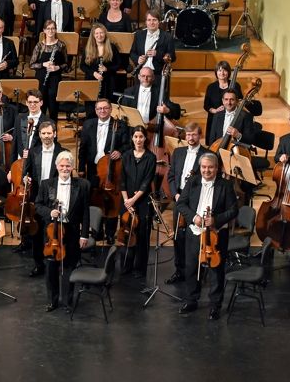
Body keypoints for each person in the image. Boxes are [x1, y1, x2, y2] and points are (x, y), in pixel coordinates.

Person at [176, 153, 239, 319]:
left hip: (216, 234)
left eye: (210, 167)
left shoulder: (225, 185)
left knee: (216, 271)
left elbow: (234, 210)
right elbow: (181, 203)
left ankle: (215, 305)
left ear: (217, 168)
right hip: (195, 232)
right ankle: (191, 300)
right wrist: (194, 217)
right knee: (191, 268)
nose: (206, 170)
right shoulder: (192, 182)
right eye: (204, 167)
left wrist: (215, 220)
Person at [35, 150, 91, 311]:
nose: (65, 169)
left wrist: (84, 235)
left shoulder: (81, 185)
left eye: (68, 166)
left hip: (72, 231)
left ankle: (67, 301)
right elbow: (38, 205)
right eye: (62, 166)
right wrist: (49, 212)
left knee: (69, 267)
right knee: (51, 268)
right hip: (52, 232)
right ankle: (52, 301)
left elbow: (85, 212)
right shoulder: (47, 184)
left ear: (72, 167)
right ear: (56, 166)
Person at [165, 122, 206, 285]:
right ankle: (179, 271)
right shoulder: (178, 152)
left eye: (194, 135)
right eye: (188, 135)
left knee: (195, 237)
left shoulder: (207, 154)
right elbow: (172, 176)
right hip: (179, 199)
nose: (190, 138)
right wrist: (175, 194)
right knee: (178, 237)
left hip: (196, 202)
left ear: (200, 135)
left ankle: (196, 273)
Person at [22, 120, 64, 274]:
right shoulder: (34, 151)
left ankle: (54, 263)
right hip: (37, 198)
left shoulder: (62, 151)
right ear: (39, 135)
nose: (47, 136)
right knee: (37, 233)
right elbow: (26, 173)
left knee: (53, 232)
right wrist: (25, 179)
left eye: (49, 133)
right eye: (44, 133)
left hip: (55, 198)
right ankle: (38, 264)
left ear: (55, 134)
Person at [118, 126, 156, 278]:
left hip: (142, 201)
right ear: (132, 138)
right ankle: (125, 265)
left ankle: (140, 269)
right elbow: (122, 180)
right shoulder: (126, 155)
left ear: (145, 138)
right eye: (136, 137)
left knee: (142, 235)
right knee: (127, 233)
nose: (138, 140)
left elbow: (147, 182)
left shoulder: (150, 157)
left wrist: (134, 199)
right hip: (126, 200)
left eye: (141, 137)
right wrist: (127, 200)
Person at [79, 98, 130, 188]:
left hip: (111, 166)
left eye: (105, 108)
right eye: (99, 108)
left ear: (111, 109)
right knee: (92, 193)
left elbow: (127, 145)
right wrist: (81, 168)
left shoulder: (121, 125)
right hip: (92, 166)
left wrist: (120, 152)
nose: (102, 111)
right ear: (95, 110)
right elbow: (83, 147)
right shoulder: (88, 124)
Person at [28, 19, 68, 121]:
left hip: (55, 79)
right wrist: (43, 64)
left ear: (55, 30)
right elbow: (31, 65)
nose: (51, 31)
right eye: (48, 29)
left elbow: (67, 65)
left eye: (53, 29)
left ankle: (53, 133)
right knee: (41, 106)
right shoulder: (39, 46)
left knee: (53, 107)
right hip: (41, 79)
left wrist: (57, 67)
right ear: (44, 30)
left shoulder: (61, 45)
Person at [80, 22, 121, 115]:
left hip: (108, 83)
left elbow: (118, 64)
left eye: (101, 33)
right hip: (92, 82)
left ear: (105, 34)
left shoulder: (112, 47)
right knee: (91, 108)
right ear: (93, 35)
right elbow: (82, 66)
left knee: (106, 107)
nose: (99, 35)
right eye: (97, 33)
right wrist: (93, 73)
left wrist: (107, 69)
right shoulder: (88, 48)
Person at [202, 61, 242, 141]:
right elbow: (206, 105)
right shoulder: (211, 87)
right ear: (216, 72)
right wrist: (215, 110)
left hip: (231, 118)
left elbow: (240, 101)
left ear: (228, 72)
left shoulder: (235, 85)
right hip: (215, 119)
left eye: (225, 70)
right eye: (219, 70)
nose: (222, 73)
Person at [130, 9, 176, 76]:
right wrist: (138, 59)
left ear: (159, 22)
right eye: (149, 20)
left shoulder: (167, 37)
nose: (152, 23)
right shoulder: (139, 35)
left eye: (154, 20)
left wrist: (157, 54)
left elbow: (173, 57)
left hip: (158, 73)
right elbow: (132, 53)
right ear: (146, 22)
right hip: (141, 72)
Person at [14, 89, 48, 161]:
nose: (32, 105)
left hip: (38, 160)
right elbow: (15, 143)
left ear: (41, 103)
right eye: (30, 102)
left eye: (35, 102)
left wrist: (32, 153)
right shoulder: (19, 118)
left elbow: (49, 146)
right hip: (20, 160)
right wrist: (11, 168)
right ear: (26, 103)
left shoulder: (48, 122)